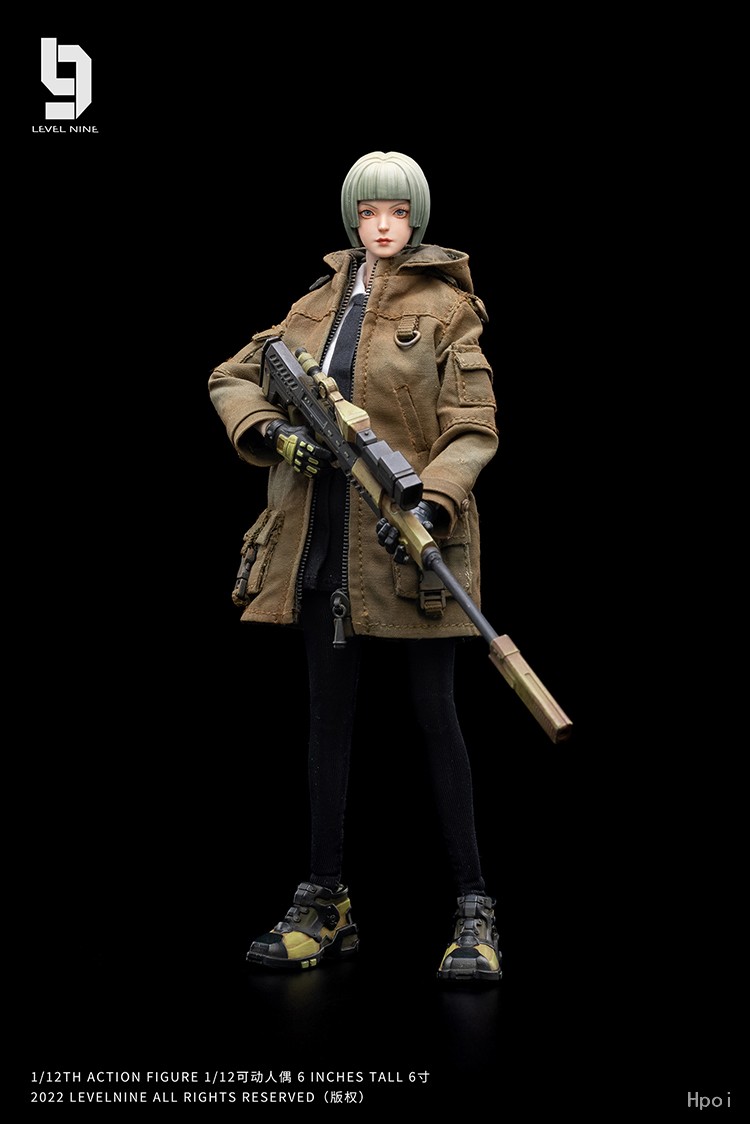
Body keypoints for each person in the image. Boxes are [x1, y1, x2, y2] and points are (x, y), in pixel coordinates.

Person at [208, 151, 501, 982]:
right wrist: (276, 434)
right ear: (353, 218)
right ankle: (325, 899)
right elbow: (232, 377)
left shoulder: (447, 308)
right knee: (327, 723)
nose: (383, 225)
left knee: (435, 718)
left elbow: (472, 424)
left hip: (408, 544)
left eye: (398, 212)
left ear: (417, 220)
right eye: (370, 211)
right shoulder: (312, 307)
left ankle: (473, 906)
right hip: (321, 544)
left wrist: (433, 502)